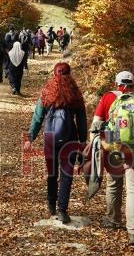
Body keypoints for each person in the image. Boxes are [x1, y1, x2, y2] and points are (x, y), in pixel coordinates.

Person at [91, 70, 134, 246]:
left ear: (116, 84)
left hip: (114, 147)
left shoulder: (108, 98)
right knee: (133, 190)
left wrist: (96, 146)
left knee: (113, 184)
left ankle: (113, 220)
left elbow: (95, 124)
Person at [24, 63, 88, 223]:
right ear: (69, 74)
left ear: (54, 74)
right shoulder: (75, 94)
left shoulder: (47, 92)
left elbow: (38, 117)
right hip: (70, 138)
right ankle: (62, 210)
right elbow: (81, 120)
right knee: (67, 174)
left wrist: (30, 137)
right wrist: (82, 141)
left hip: (50, 138)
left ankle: (51, 204)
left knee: (52, 172)